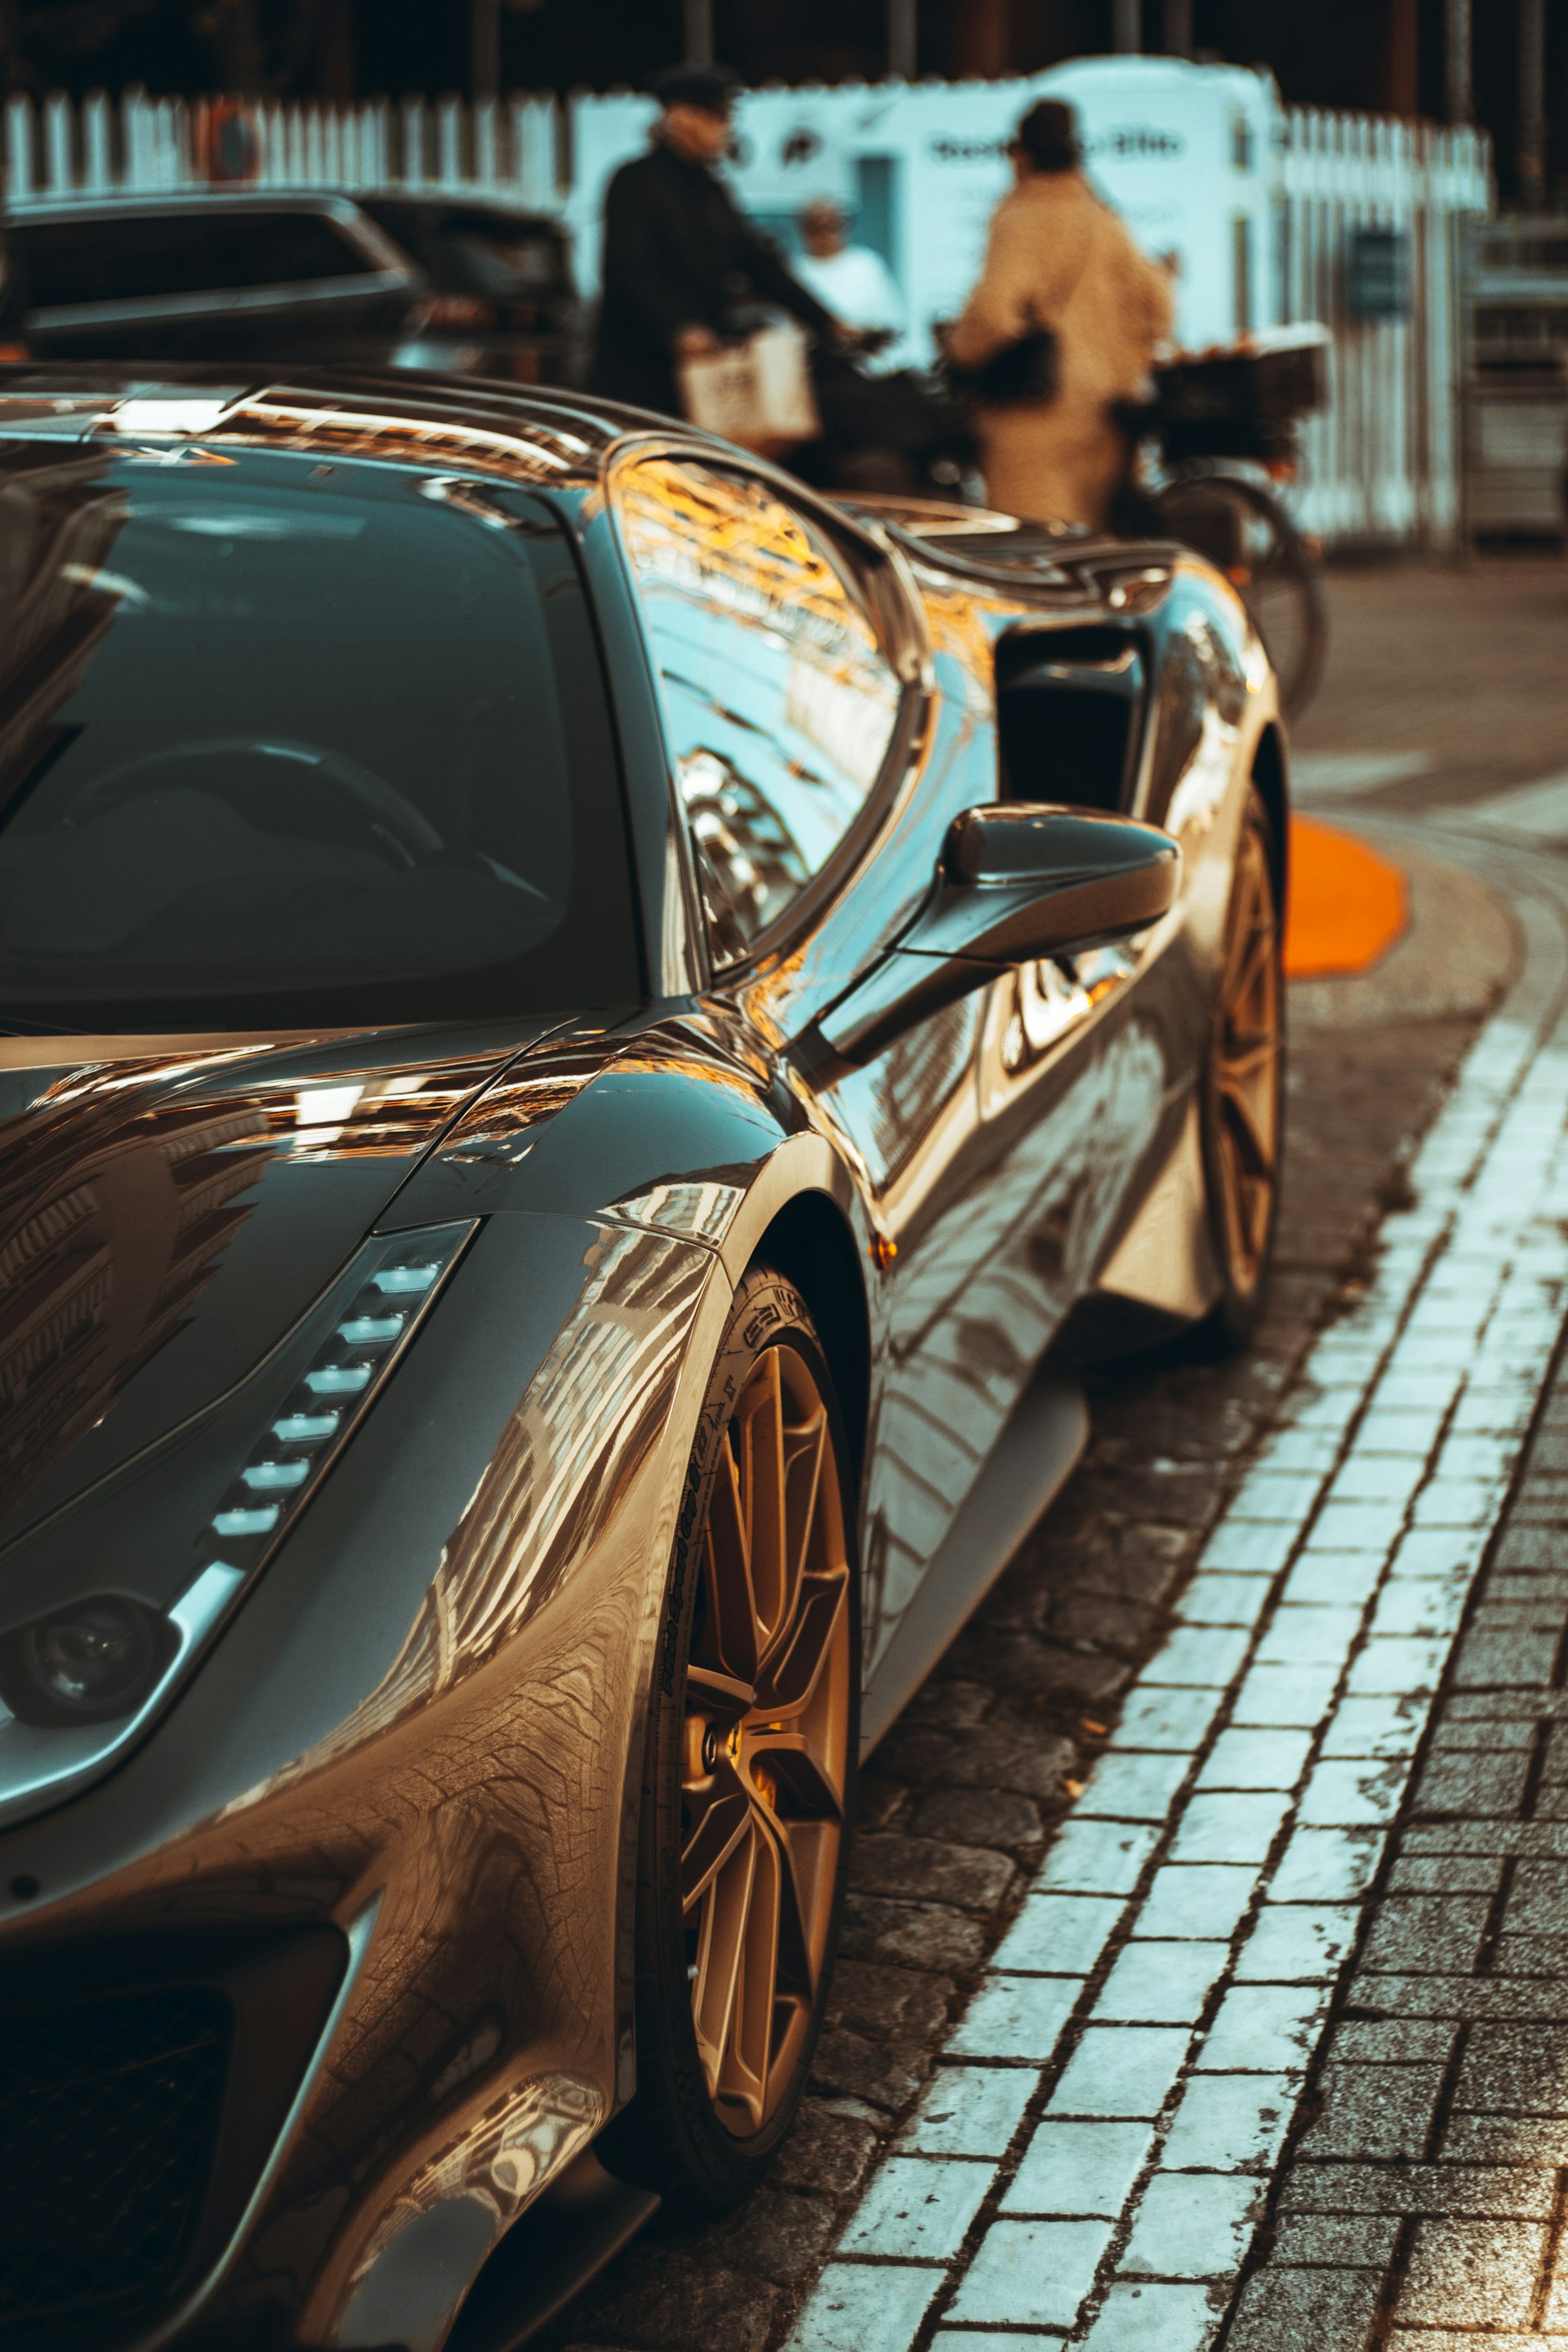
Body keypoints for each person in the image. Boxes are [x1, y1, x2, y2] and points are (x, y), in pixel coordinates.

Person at [945, 99, 1172, 529]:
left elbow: (993, 314)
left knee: (1038, 554)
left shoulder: (1022, 217)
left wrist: (961, 352)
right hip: (1109, 414)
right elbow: (1158, 307)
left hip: (1038, 414)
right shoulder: (1103, 218)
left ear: (1023, 157)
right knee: (1097, 553)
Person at [590, 62, 841, 419]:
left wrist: (826, 320)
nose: (727, 129)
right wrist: (679, 327)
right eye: (718, 117)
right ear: (679, 116)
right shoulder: (635, 181)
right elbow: (626, 268)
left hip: (703, 364)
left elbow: (757, 261)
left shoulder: (712, 189)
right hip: (641, 366)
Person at [791, 198, 906, 371]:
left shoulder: (866, 265)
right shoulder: (794, 270)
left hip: (866, 366)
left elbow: (892, 322)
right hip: (812, 367)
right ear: (803, 230)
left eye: (832, 225)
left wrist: (862, 335)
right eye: (815, 226)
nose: (824, 234)